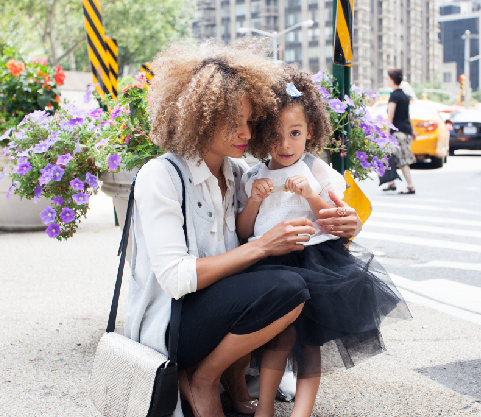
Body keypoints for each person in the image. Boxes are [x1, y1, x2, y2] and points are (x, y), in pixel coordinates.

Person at [124, 40, 364, 417]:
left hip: (217, 311)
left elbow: (315, 212)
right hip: (172, 324)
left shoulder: (238, 174)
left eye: (250, 121)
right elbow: (176, 279)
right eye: (232, 121)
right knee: (286, 285)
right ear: (199, 117)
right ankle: (202, 378)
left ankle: (231, 382)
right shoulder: (161, 176)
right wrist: (264, 247)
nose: (246, 132)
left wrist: (350, 223)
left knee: (291, 284)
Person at [238, 68, 410, 417]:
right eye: (275, 135)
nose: (285, 145)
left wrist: (311, 195)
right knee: (278, 339)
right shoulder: (254, 175)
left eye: (295, 133)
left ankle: (302, 412)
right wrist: (255, 200)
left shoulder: (317, 171)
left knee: (309, 345)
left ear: (310, 131)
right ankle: (265, 407)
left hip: (315, 262)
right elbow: (245, 231)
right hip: (271, 264)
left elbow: (335, 220)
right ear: (261, 135)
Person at [383, 68, 417, 194]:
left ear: (392, 80)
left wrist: (387, 133)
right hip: (406, 131)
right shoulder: (404, 96)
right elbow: (408, 116)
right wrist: (412, 131)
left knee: (402, 159)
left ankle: (410, 185)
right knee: (390, 156)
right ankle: (391, 183)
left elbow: (390, 116)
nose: (387, 81)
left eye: (388, 78)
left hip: (398, 133)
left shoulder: (394, 96)